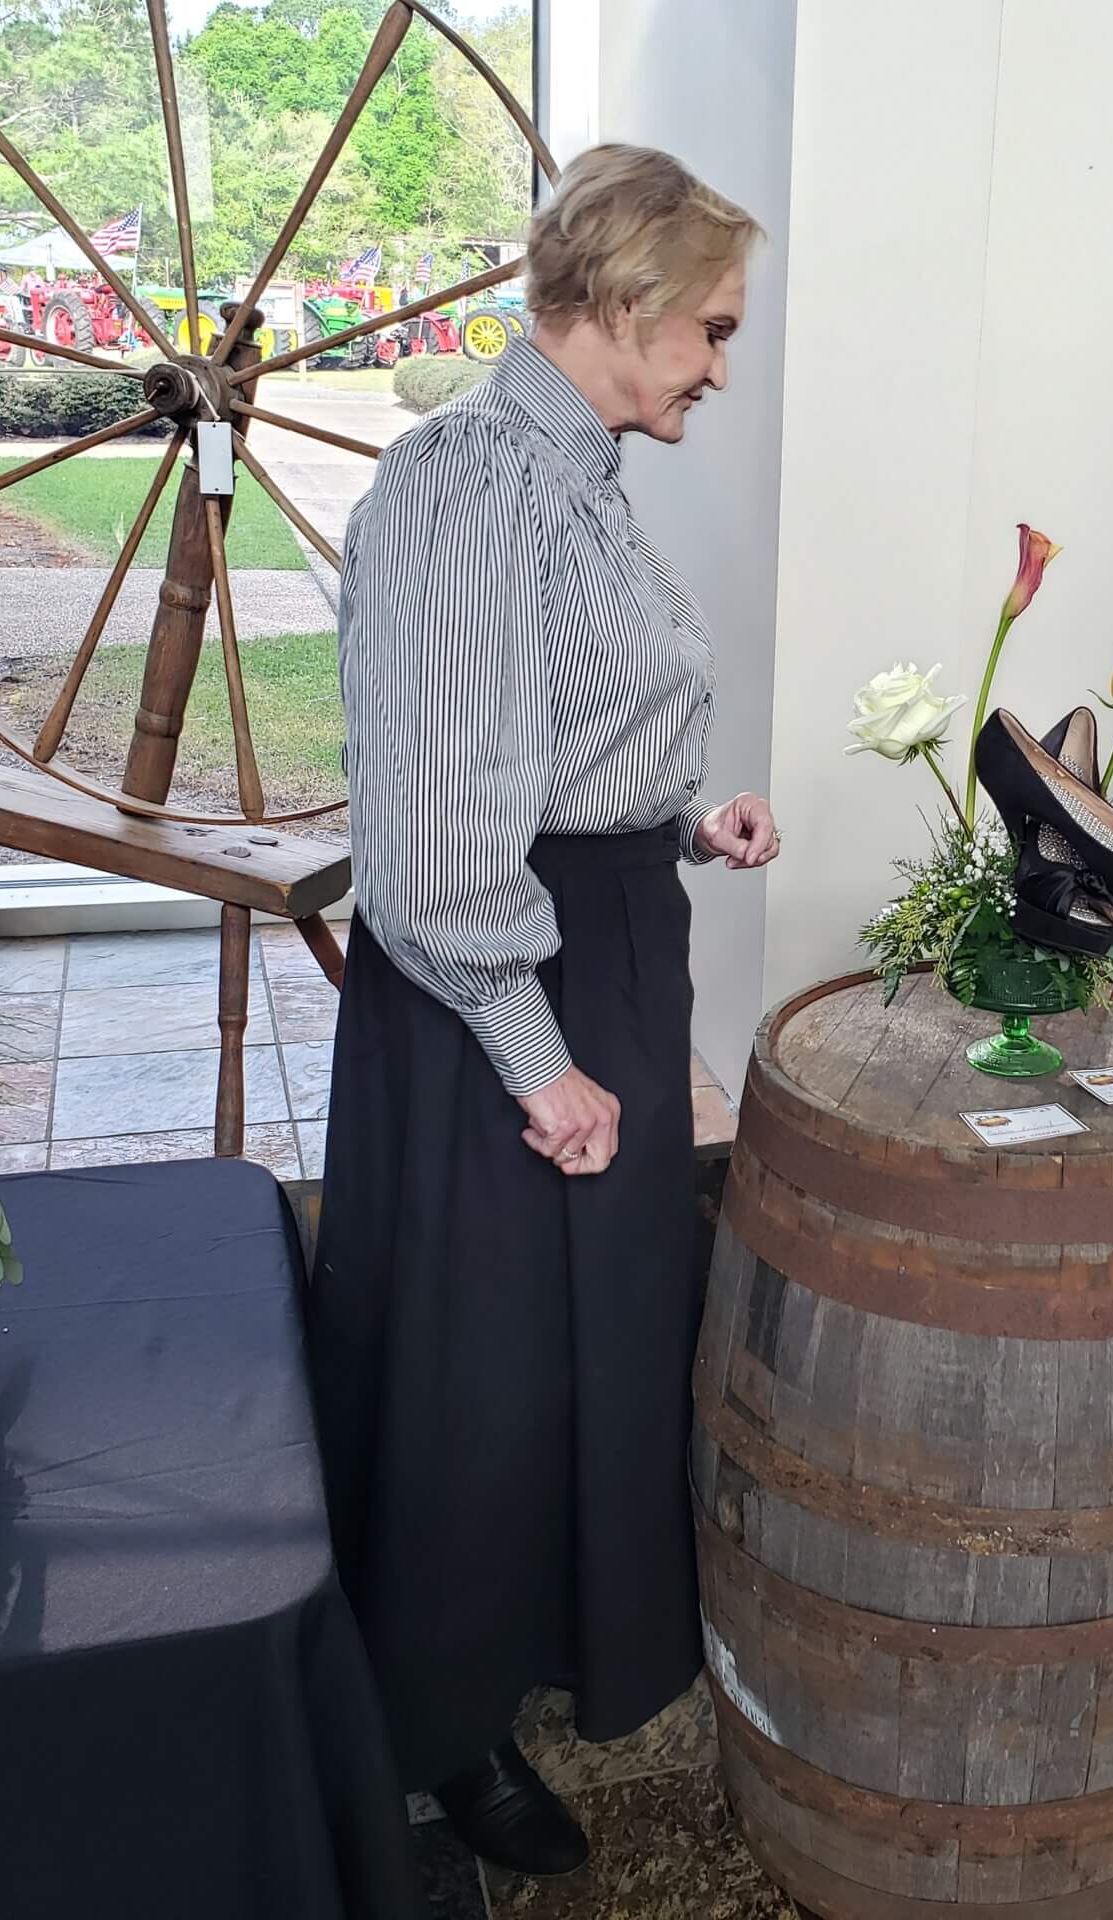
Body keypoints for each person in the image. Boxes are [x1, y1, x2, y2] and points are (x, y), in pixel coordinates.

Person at [308, 144, 778, 1878]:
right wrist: (537, 1055)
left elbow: (553, 730)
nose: (724, 367)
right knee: (478, 1359)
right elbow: (435, 837)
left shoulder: (574, 471)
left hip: (597, 930)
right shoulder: (468, 489)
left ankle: (544, 1643)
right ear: (631, 305)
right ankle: (434, 1731)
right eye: (713, 331)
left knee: (586, 1324)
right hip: (494, 975)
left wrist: (679, 812)